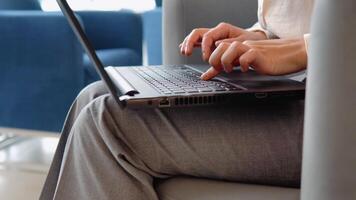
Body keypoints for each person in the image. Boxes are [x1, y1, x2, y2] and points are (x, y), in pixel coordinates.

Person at [40, 0, 314, 199]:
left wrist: (303, 49)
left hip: (332, 111)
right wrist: (257, 36)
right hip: (288, 87)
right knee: (94, 94)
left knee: (106, 120)